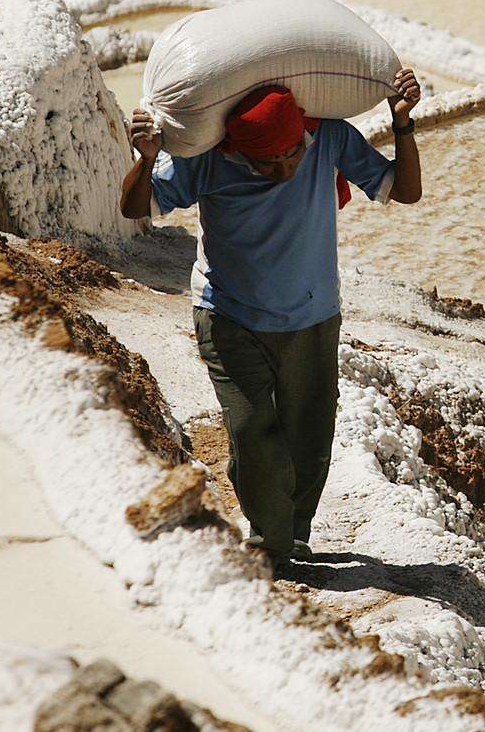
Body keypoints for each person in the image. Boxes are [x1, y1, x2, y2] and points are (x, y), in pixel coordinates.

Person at [119, 68, 423, 565]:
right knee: (251, 431)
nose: (284, 169)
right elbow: (137, 206)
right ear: (237, 148)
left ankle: (291, 531)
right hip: (228, 315)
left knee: (310, 436)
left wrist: (403, 125)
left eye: (291, 155)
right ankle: (271, 545)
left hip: (312, 316)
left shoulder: (329, 140)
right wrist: (147, 159)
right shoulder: (206, 160)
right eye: (267, 162)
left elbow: (403, 191)